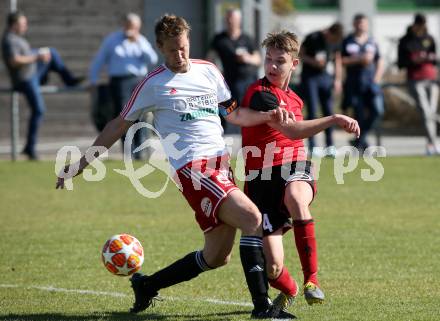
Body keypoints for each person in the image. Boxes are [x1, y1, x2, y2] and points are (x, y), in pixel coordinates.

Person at [56, 15, 296, 319]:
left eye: (183, 48)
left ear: (189, 41)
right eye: (172, 51)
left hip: (220, 165)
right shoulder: (152, 84)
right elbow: (118, 125)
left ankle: (147, 286)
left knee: (216, 256)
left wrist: (268, 116)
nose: (179, 56)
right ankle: (263, 309)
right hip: (193, 169)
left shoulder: (209, 71)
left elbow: (234, 115)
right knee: (252, 218)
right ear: (159, 48)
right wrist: (80, 163)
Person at [240, 30, 360, 314]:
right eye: (268, 59)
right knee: (272, 267)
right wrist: (333, 118)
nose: (271, 66)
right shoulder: (259, 94)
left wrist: (330, 118)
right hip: (261, 180)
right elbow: (292, 129)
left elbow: (293, 136)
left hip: (294, 166)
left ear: (294, 64)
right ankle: (292, 288)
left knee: (296, 196)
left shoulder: (295, 99)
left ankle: (311, 280)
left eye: (279, 61)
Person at [1, 11, 82, 160]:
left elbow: (26, 55)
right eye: (22, 24)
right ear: (14, 25)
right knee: (39, 110)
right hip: (25, 79)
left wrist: (39, 54)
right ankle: (30, 148)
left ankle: (67, 79)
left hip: (32, 75)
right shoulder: (9, 39)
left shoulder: (18, 39)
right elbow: (14, 60)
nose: (25, 26)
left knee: (51, 52)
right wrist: (37, 56)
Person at [89, 13, 158, 159]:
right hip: (119, 83)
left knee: (140, 116)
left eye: (133, 26)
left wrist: (138, 41)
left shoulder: (141, 41)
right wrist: (93, 80)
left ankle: (139, 152)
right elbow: (99, 60)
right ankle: (128, 152)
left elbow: (152, 59)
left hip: (138, 81)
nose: (130, 29)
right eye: (128, 25)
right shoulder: (112, 40)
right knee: (124, 117)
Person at [207, 8, 261, 132]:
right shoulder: (219, 39)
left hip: (248, 81)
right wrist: (216, 73)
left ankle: (250, 144)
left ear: (239, 20)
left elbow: (258, 59)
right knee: (225, 112)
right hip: (228, 82)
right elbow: (210, 58)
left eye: (233, 18)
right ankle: (221, 142)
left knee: (248, 113)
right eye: (228, 18)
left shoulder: (247, 38)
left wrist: (247, 58)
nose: (231, 21)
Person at [341, 13, 384, 151]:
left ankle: (361, 138)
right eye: (358, 23)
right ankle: (361, 143)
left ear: (367, 25)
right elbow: (341, 60)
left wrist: (377, 78)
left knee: (377, 110)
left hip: (371, 83)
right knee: (358, 115)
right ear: (354, 24)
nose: (361, 25)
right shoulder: (347, 41)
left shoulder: (372, 41)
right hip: (354, 83)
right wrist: (360, 59)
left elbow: (380, 60)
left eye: (363, 23)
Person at [398, 13, 439, 155]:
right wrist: (413, 61)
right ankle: (433, 143)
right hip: (415, 79)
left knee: (431, 113)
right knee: (426, 113)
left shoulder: (429, 38)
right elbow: (400, 63)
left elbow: (434, 59)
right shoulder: (405, 41)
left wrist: (430, 58)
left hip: (431, 79)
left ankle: (431, 144)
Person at [300, 23, 344, 157]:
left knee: (329, 112)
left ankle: (330, 145)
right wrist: (313, 62)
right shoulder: (313, 37)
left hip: (325, 77)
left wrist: (337, 79)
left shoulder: (336, 42)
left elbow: (337, 60)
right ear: (329, 33)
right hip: (310, 77)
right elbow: (301, 54)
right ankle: (313, 146)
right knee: (312, 110)